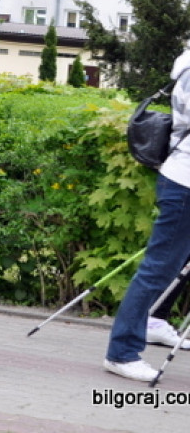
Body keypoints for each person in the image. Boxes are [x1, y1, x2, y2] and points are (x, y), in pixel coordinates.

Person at [104, 45, 190, 381]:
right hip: (184, 184)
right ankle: (121, 352)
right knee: (157, 269)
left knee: (165, 268)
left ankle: (146, 329)